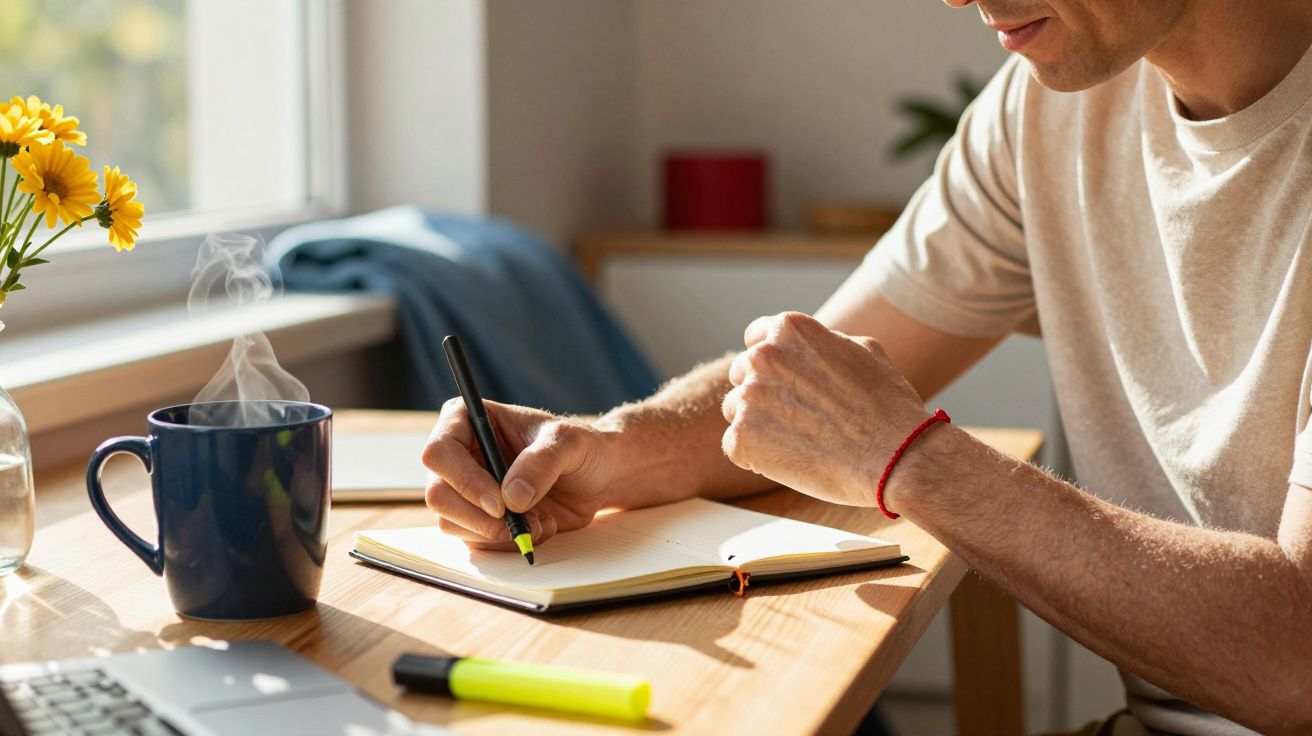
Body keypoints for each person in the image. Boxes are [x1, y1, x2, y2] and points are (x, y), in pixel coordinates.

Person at [421, 0, 1312, 733]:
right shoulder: (1045, 111)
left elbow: (1297, 660)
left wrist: (912, 460)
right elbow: (806, 389)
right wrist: (602, 449)